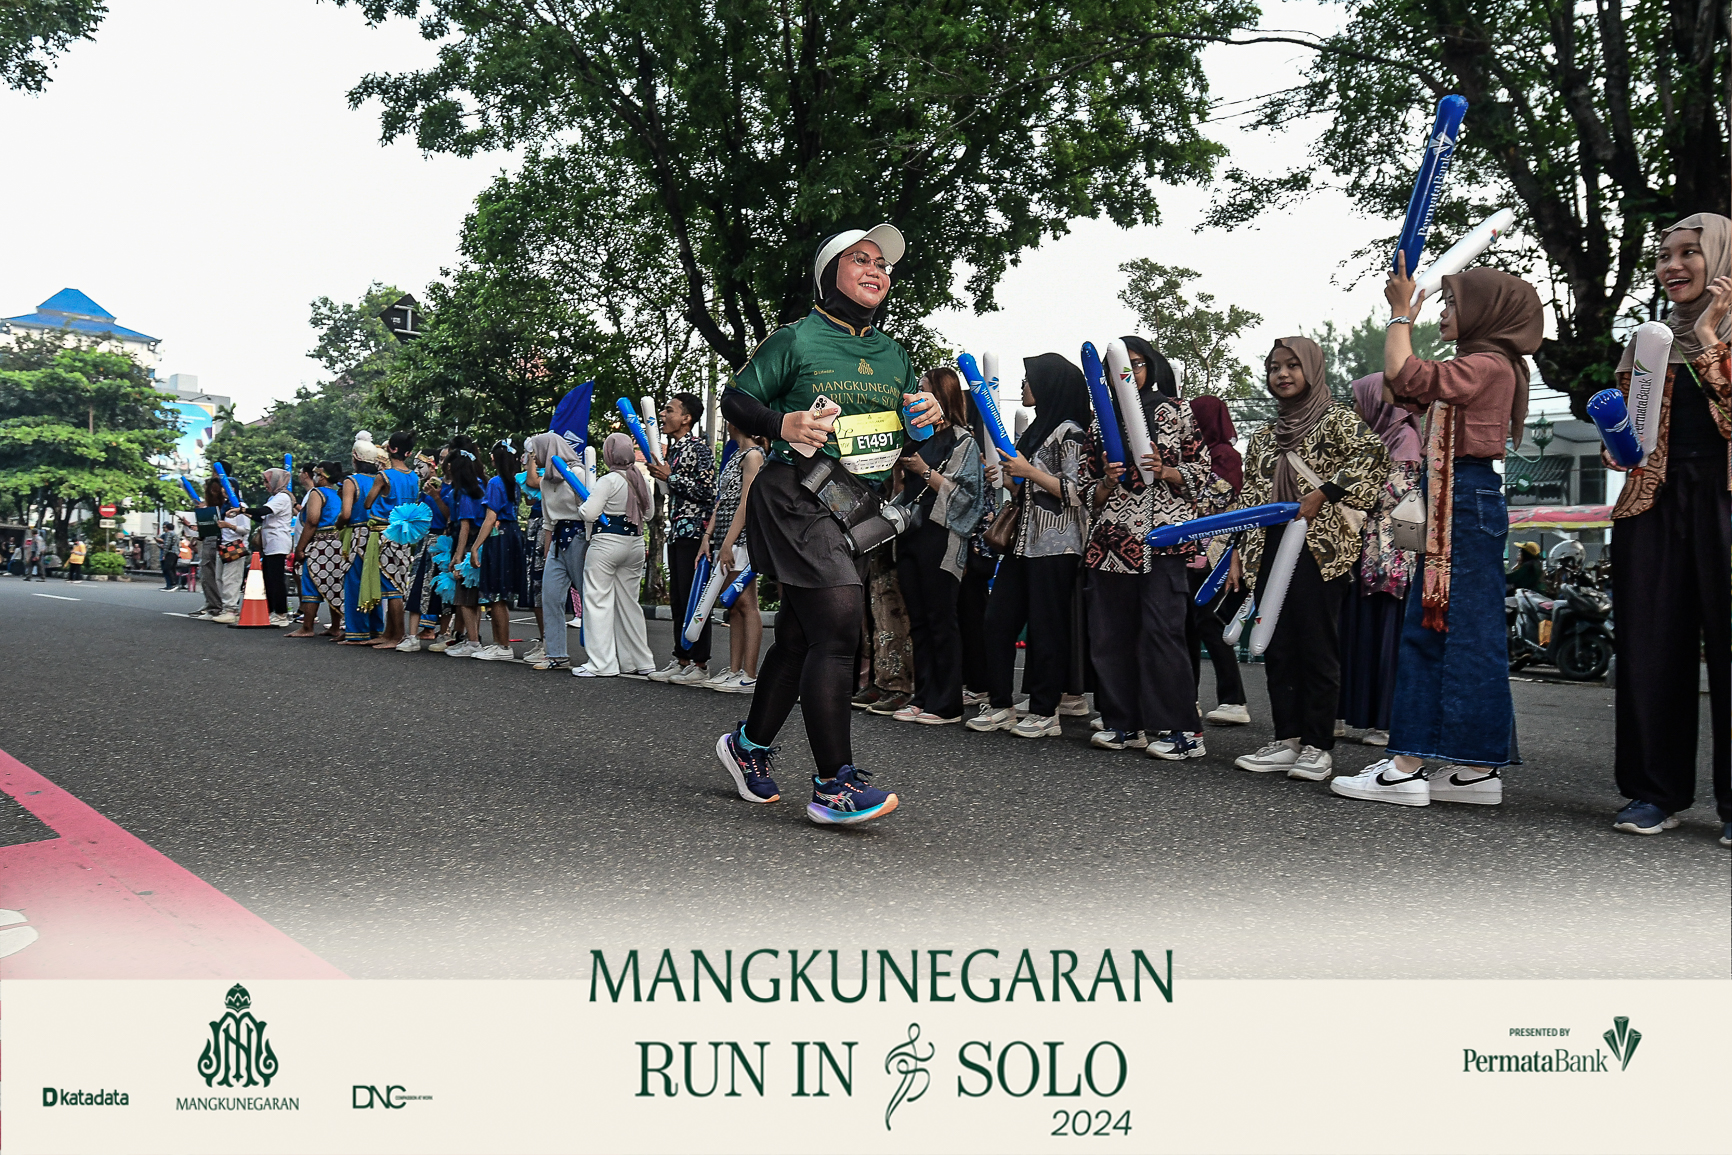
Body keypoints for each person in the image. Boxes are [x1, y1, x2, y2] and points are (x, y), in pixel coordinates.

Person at [714, 223, 938, 824]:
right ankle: (834, 784)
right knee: (839, 627)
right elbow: (736, 400)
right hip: (794, 493)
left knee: (801, 637)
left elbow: (903, 437)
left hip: (855, 505)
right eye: (860, 259)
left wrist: (923, 422)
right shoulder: (796, 339)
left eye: (882, 265)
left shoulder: (895, 354)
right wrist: (781, 424)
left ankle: (748, 746)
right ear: (828, 274)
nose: (875, 271)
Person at [1330, 263, 1543, 808]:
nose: (1444, 312)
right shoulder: (1488, 365)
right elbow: (1399, 386)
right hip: (1463, 496)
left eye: (1453, 303)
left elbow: (1406, 376)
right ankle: (1475, 769)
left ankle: (1405, 767)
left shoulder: (1485, 365)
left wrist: (1401, 313)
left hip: (1459, 498)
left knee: (1433, 628)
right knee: (1469, 634)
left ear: (1486, 311)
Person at [1600, 214, 1732, 843]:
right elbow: (1635, 431)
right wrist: (1618, 445)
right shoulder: (1648, 342)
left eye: (1689, 253)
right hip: (1652, 502)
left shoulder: (1715, 333)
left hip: (1724, 499)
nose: (1672, 266)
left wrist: (1707, 339)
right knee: (1650, 647)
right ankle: (1655, 792)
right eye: (1662, 256)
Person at [1231, 337, 1390, 781]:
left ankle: (1318, 746)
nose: (1282, 374)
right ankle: (1288, 739)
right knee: (1277, 644)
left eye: (1292, 365)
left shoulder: (1337, 419)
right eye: (1274, 367)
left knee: (1316, 645)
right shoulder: (1264, 435)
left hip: (1319, 549)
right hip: (1268, 545)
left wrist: (1324, 493)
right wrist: (1238, 552)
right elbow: (1250, 496)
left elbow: (1373, 456)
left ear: (1312, 369)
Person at [1080, 345, 1213, 757]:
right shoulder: (1101, 420)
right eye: (1117, 368)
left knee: (1162, 634)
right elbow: (1084, 489)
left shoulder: (1176, 410)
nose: (1128, 372)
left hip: (1163, 541)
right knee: (1110, 637)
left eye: (1135, 364)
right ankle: (1123, 723)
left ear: (1149, 366)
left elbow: (1204, 471)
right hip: (1110, 544)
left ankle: (1183, 731)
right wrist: (1106, 481)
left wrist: (1167, 470)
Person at [966, 353, 1092, 738]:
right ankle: (1000, 704)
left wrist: (1028, 471)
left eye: (1029, 379)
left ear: (1050, 384)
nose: (1023, 385)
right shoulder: (1038, 428)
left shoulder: (1071, 432)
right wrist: (1008, 477)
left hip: (1057, 544)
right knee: (998, 620)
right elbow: (1025, 487)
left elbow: (1077, 491)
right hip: (1022, 541)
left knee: (1046, 628)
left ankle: (1044, 711)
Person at [887, 367, 985, 724]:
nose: (916, 396)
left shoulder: (963, 441)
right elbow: (902, 491)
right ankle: (922, 695)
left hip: (942, 538)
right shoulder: (914, 438)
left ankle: (947, 703)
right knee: (918, 621)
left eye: (924, 389)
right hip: (910, 535)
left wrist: (925, 471)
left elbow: (969, 499)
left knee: (941, 620)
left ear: (942, 395)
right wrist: (901, 473)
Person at [1336, 373, 1422, 747]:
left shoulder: (1405, 442)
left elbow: (1395, 497)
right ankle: (1352, 715)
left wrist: (1345, 493)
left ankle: (1385, 722)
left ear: (1378, 403)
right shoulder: (1375, 440)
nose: (1356, 409)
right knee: (1361, 636)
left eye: (1360, 400)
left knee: (1385, 637)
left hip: (1391, 560)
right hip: (1367, 554)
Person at [1185, 393, 1251, 726]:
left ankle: (1233, 700)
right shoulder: (1206, 454)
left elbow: (1216, 497)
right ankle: (1189, 698)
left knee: (1208, 623)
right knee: (1191, 626)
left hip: (1216, 554)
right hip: (1198, 553)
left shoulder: (1224, 455)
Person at [648, 393, 719, 684]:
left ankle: (700, 664)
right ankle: (682, 659)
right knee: (678, 599)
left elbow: (708, 491)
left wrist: (670, 477)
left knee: (694, 597)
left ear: (686, 418)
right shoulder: (673, 450)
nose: (663, 415)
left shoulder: (699, 448)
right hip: (677, 531)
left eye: (670, 410)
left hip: (695, 533)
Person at [575, 432, 655, 678]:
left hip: (606, 543)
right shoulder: (640, 478)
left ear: (609, 454)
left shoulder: (608, 480)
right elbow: (649, 514)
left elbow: (589, 513)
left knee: (597, 601)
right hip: (635, 543)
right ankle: (639, 661)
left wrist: (581, 504)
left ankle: (602, 663)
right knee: (629, 604)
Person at [699, 424, 770, 692]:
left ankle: (749, 674)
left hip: (742, 539)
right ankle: (734, 669)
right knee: (733, 605)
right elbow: (723, 501)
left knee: (746, 602)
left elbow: (746, 503)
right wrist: (709, 536)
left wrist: (729, 542)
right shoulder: (735, 455)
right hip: (725, 538)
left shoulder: (754, 455)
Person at [525, 432, 587, 672]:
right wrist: (548, 550)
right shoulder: (545, 481)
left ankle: (601, 653)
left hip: (579, 537)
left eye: (536, 452)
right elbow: (549, 520)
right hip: (557, 541)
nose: (534, 457)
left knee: (588, 596)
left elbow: (588, 508)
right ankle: (556, 654)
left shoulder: (578, 473)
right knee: (550, 596)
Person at [356, 431, 422, 650]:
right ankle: (389, 633)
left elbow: (367, 503)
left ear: (391, 449)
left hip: (385, 533)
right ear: (409, 453)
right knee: (396, 581)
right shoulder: (414, 477)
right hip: (405, 532)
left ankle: (397, 635)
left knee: (392, 588)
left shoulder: (384, 476)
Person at [467, 439, 530, 660]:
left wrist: (476, 546)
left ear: (494, 458)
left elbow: (490, 517)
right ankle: (499, 644)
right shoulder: (515, 482)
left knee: (496, 593)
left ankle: (502, 645)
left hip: (498, 536)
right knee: (501, 592)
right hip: (513, 534)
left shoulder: (495, 482)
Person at [228, 468, 296, 626]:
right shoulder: (274, 498)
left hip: (278, 542)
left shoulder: (282, 497)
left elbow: (263, 511)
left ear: (276, 481)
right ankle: (272, 611)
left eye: (267, 481)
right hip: (270, 543)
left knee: (276, 579)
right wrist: (243, 513)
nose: (265, 484)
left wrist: (242, 509)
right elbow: (262, 516)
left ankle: (281, 613)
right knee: (269, 578)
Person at [337, 435, 387, 644]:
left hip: (357, 536)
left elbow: (346, 513)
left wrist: (338, 524)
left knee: (355, 582)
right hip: (378, 535)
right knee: (374, 581)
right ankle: (376, 629)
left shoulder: (352, 481)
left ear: (355, 458)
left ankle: (357, 631)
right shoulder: (381, 478)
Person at [211, 504, 253, 625]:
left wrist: (229, 526)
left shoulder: (239, 506)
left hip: (235, 546)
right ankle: (225, 608)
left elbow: (246, 529)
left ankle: (231, 610)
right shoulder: (223, 506)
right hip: (222, 545)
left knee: (231, 579)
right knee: (219, 578)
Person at [188, 477, 224, 615]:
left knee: (209, 574)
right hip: (212, 538)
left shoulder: (217, 506)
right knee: (214, 575)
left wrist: (205, 511)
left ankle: (215, 606)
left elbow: (211, 525)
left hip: (213, 539)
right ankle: (214, 604)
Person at [159, 523, 181, 590]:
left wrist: (164, 554)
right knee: (172, 568)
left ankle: (173, 583)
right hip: (176, 552)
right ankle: (174, 583)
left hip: (170, 552)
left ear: (167, 528)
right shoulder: (175, 534)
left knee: (167, 568)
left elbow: (167, 544)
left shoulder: (169, 534)